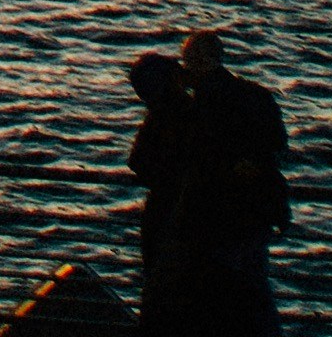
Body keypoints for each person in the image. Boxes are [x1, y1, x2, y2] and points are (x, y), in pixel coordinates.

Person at [172, 34, 288, 336]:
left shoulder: (202, 104)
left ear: (200, 60)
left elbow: (195, 159)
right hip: (256, 209)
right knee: (255, 286)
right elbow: (277, 144)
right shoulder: (256, 95)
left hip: (217, 215)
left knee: (220, 292)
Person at [123, 54, 196, 333]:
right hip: (187, 214)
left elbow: (137, 161)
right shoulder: (190, 112)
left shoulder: (160, 115)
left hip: (162, 211)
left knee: (156, 289)